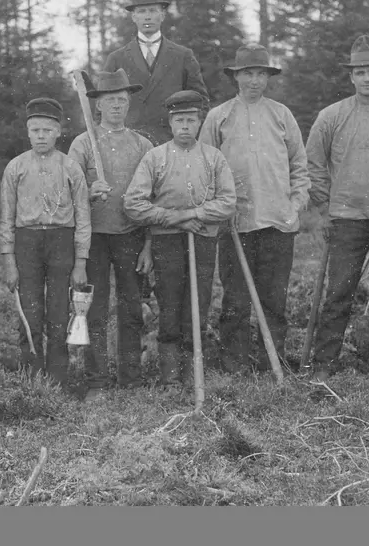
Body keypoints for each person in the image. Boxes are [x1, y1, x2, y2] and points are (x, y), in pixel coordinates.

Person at [305, 35, 369, 381]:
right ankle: (323, 364)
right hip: (346, 218)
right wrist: (323, 208)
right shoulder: (331, 117)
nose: (367, 78)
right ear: (351, 77)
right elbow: (314, 164)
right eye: (360, 72)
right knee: (339, 292)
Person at [200, 45, 309, 374]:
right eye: (248, 73)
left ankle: (270, 364)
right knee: (235, 301)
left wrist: (295, 205)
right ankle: (233, 368)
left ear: (268, 78)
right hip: (236, 224)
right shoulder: (219, 117)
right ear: (236, 76)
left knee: (274, 300)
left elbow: (299, 168)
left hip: (277, 223)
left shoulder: (281, 114)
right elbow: (205, 167)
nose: (254, 80)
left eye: (261, 73)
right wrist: (219, 209)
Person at [125, 90, 237, 387]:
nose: (185, 126)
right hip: (166, 242)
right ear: (170, 122)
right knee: (170, 302)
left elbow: (228, 202)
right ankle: (170, 375)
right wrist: (167, 218)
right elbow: (133, 204)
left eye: (191, 119)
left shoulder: (213, 158)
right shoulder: (155, 158)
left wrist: (190, 215)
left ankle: (192, 371)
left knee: (198, 302)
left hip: (202, 239)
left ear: (200, 122)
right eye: (179, 120)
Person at [67, 69, 154, 397]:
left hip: (130, 235)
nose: (116, 105)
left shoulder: (142, 145)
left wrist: (148, 246)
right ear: (97, 106)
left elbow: (151, 199)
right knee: (95, 310)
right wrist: (89, 190)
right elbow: (68, 191)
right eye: (108, 100)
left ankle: (131, 380)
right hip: (94, 240)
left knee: (132, 309)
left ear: (128, 103)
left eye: (121, 99)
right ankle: (97, 382)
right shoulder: (83, 143)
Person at [0, 98, 91, 388]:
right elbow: (6, 218)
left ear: (58, 132)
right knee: (30, 312)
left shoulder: (70, 168)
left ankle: (58, 380)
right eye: (35, 130)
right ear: (27, 132)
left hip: (61, 240)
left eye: (47, 130)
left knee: (58, 311)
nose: (40, 136)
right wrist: (9, 262)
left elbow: (83, 218)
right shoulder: (15, 168)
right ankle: (32, 380)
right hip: (27, 242)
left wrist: (80, 262)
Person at [102, 0, 209, 145]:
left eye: (152, 11)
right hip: (128, 144)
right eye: (142, 11)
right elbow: (101, 108)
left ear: (163, 15)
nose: (147, 17)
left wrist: (186, 136)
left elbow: (201, 103)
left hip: (172, 143)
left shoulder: (183, 56)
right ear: (133, 17)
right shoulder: (116, 58)